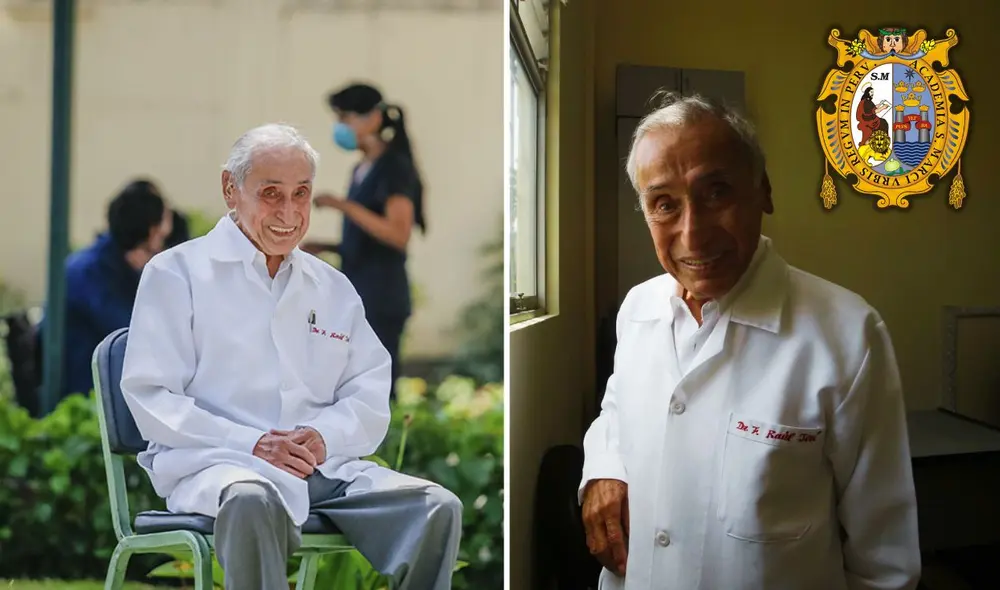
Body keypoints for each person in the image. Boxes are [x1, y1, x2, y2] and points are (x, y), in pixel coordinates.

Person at [578, 93, 920, 590]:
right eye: (664, 205)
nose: (692, 235)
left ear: (764, 191)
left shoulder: (848, 335)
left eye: (716, 193)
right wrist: (605, 469)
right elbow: (618, 406)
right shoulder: (639, 309)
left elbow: (884, 560)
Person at [120, 123, 461, 590]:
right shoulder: (176, 274)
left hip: (323, 470)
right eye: (271, 193)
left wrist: (323, 436)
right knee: (249, 500)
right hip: (222, 467)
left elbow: (368, 389)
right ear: (230, 189)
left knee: (435, 508)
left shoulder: (333, 287)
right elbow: (153, 397)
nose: (289, 212)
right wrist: (254, 443)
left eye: (301, 194)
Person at [304, 83, 426, 397]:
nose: (340, 127)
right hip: (358, 291)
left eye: (346, 117)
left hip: (381, 295)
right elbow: (368, 239)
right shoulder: (361, 168)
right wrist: (327, 248)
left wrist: (343, 206)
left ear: (372, 119)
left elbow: (398, 235)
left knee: (377, 389)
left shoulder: (393, 168)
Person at [53, 178, 172, 400]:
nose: (159, 249)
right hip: (87, 395)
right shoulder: (90, 274)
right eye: (157, 241)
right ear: (148, 232)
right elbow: (134, 336)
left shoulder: (104, 264)